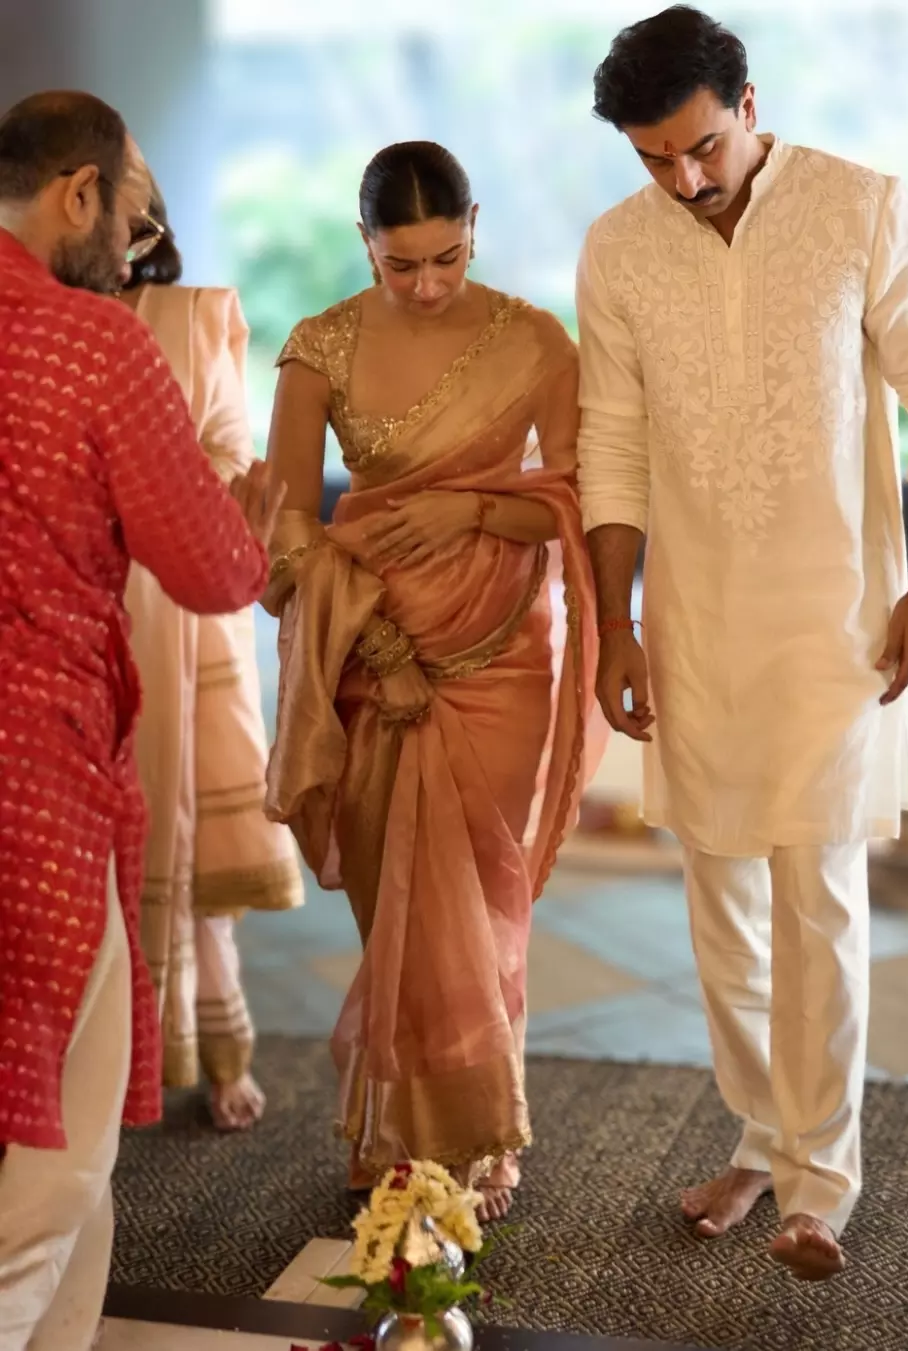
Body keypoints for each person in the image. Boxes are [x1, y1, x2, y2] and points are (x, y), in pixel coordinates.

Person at [577, 8, 908, 1280]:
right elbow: (611, 443)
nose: (684, 179)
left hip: (838, 619)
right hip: (696, 623)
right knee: (722, 902)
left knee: (818, 894)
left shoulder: (862, 207)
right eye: (655, 158)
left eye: (702, 147)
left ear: (750, 106)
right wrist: (617, 626)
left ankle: (820, 1183)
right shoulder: (618, 246)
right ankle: (761, 1136)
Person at [264, 140, 596, 1221]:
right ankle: (408, 1126)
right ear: (364, 242)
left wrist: (474, 508)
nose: (425, 284)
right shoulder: (319, 347)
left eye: (446, 257)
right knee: (395, 898)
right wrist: (382, 652)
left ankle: (481, 1131)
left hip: (503, 649)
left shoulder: (535, 340)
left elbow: (580, 494)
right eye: (399, 263)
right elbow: (286, 526)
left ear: (475, 226)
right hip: (370, 646)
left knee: (483, 896)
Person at [0, 91, 282, 1350]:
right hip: (38, 774)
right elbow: (214, 568)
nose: (134, 243)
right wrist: (252, 525)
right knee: (62, 1138)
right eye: (131, 212)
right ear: (79, 193)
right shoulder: (96, 344)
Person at [118, 167, 304, 1132]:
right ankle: (89, 1066)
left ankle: (218, 1050)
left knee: (183, 832)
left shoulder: (190, 318)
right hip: (74, 593)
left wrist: (150, 491)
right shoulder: (32, 323)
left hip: (175, 600)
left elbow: (232, 450)